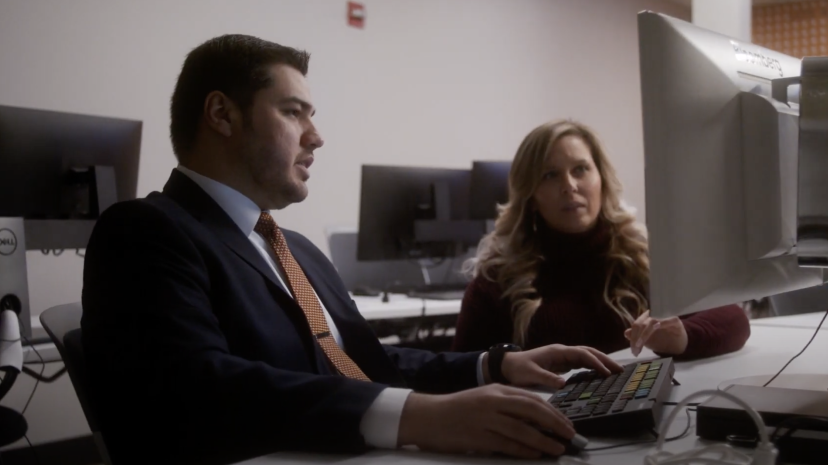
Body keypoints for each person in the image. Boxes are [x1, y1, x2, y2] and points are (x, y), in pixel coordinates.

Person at [80, 36, 623, 465]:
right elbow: (201, 388)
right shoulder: (147, 231)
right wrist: (420, 417)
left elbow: (372, 362)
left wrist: (496, 365)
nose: (315, 137)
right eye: (295, 113)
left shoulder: (296, 248)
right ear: (221, 115)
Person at [452, 120, 751, 359]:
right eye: (550, 175)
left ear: (602, 180)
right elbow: (460, 379)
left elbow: (733, 319)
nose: (569, 186)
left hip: (640, 418)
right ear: (530, 196)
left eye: (580, 169)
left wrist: (682, 337)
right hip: (546, 425)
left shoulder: (638, 255)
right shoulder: (497, 280)